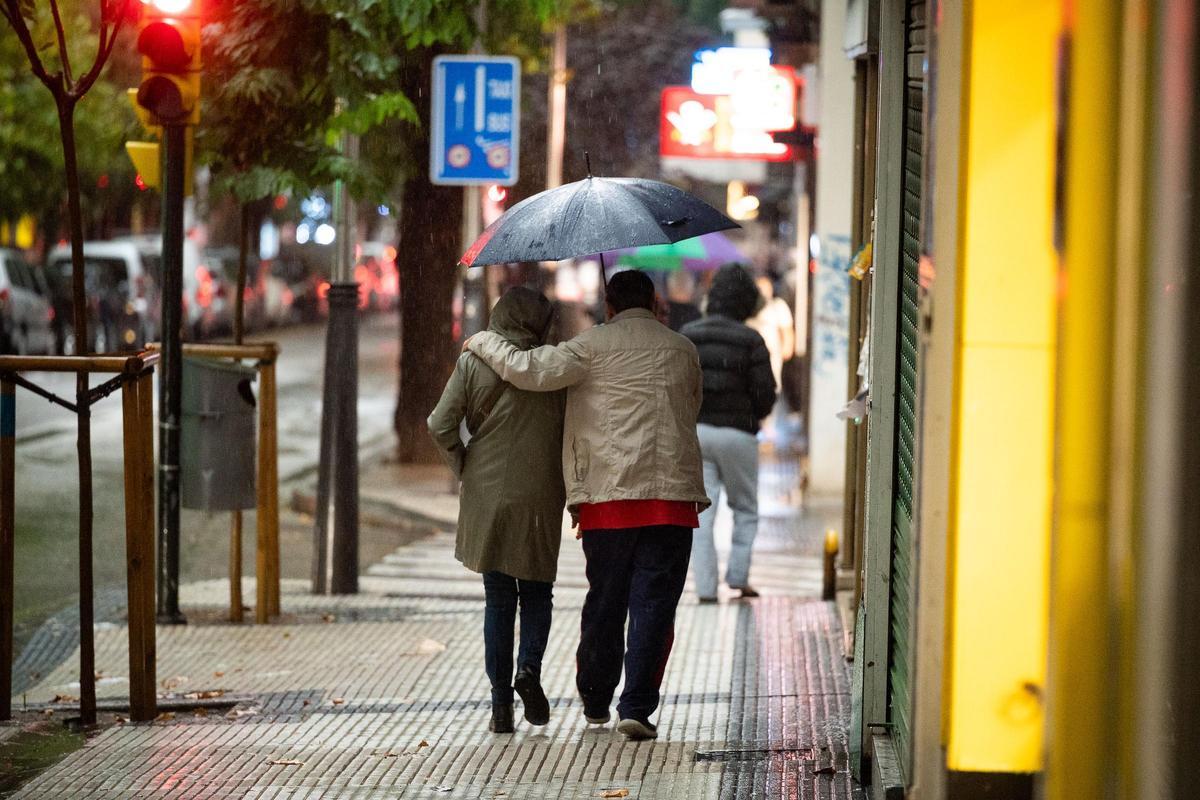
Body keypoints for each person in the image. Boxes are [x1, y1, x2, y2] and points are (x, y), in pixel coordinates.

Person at [465, 269, 708, 741]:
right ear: (656, 303)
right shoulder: (683, 350)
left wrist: (482, 341)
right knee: (654, 606)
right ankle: (636, 705)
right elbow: (690, 407)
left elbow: (528, 370)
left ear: (609, 305)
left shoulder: (588, 347)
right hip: (672, 501)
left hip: (608, 499)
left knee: (606, 602)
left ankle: (596, 698)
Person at [427, 286, 567, 735]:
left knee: (499, 599)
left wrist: (462, 462)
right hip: (541, 492)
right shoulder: (554, 369)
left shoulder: (473, 363)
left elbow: (439, 424)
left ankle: (500, 706)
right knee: (538, 592)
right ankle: (529, 668)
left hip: (488, 491)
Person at [681, 265, 776, 602]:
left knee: (701, 512)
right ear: (746, 302)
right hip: (738, 433)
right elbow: (766, 393)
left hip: (697, 431)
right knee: (745, 508)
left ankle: (706, 588)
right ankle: (738, 576)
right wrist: (751, 415)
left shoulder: (689, 334)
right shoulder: (751, 340)